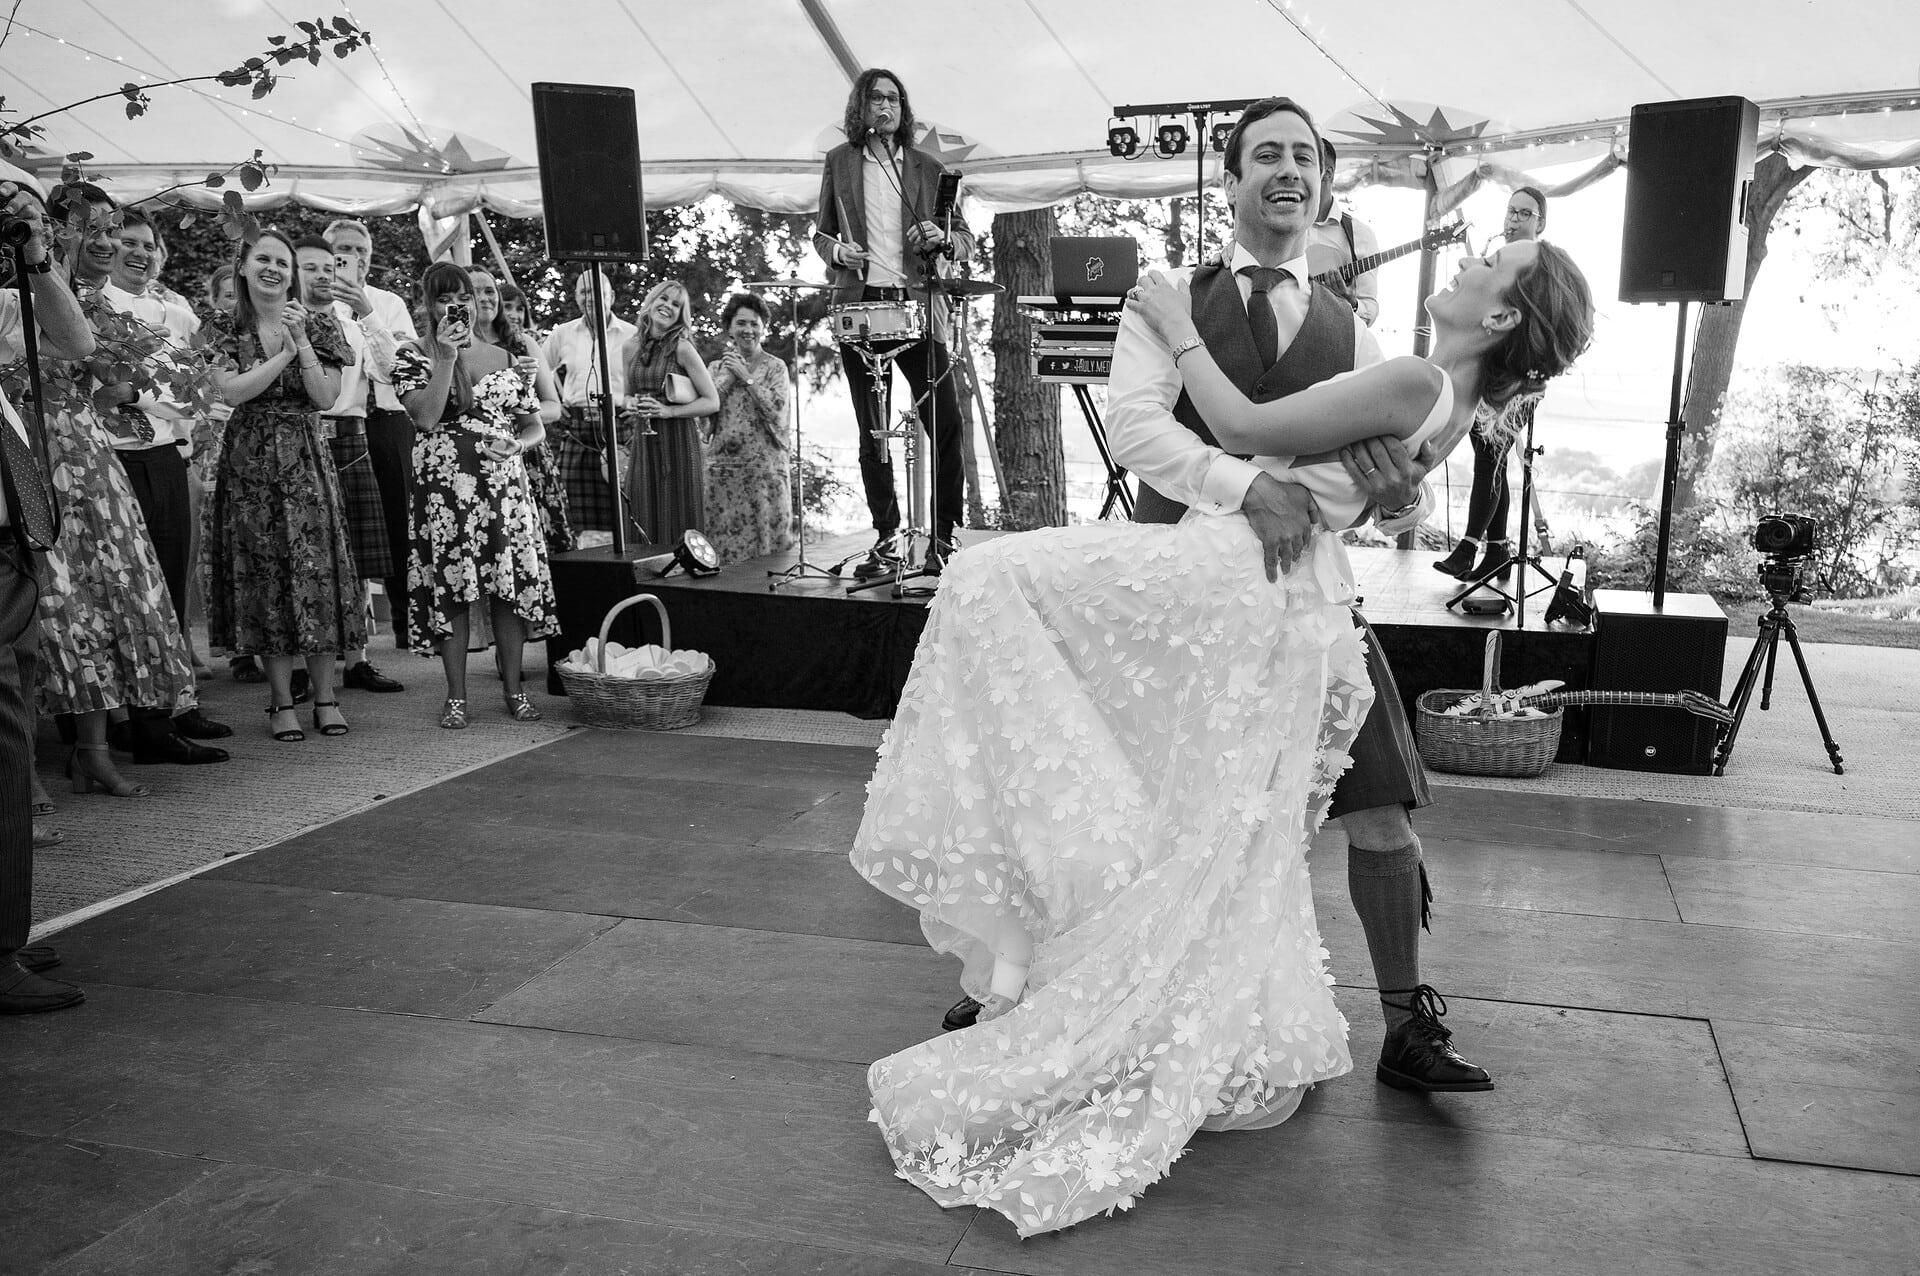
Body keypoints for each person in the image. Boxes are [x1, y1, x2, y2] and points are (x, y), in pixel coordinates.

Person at [849, 95, 1593, 1234]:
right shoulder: (1183, 294)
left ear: (1325, 183)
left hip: (1290, 606)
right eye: (1266, 156)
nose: (1286, 171)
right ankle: (1017, 976)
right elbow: (1144, 431)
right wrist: (1261, 482)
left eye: (1304, 155)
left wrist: (1372, 484)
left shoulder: (1368, 333)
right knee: (1175, 810)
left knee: (1360, 811)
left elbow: (1301, 430)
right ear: (1233, 179)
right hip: (1199, 579)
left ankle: (1399, 1020)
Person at [813, 67, 975, 577]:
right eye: (875, 98)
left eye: (893, 98)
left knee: (945, 423)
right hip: (860, 306)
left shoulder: (929, 167)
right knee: (873, 431)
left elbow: (965, 240)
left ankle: (945, 539)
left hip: (919, 306)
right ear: (859, 108)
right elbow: (820, 234)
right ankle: (886, 539)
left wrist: (943, 239)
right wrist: (839, 251)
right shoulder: (838, 163)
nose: (885, 106)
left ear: (903, 109)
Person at [203, 228, 361, 742]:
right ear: (244, 267)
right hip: (248, 459)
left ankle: (325, 696)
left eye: (283, 263)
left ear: (292, 274)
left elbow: (325, 398)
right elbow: (231, 389)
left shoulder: (319, 324)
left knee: (315, 573)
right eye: (263, 260)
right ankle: (278, 702)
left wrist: (304, 344)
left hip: (306, 458)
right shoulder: (223, 326)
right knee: (263, 578)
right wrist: (286, 354)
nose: (273, 269)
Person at [1, 174, 97, 1014]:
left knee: (12, 719)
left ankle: (5, 934)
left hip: (8, 534)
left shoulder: (6, 288)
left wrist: (34, 254)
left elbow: (76, 339)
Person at [393, 262, 556, 729]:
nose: (455, 305)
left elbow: (534, 425)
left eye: (461, 296)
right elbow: (424, 418)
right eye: (444, 298)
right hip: (444, 494)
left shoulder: (504, 356)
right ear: (429, 304)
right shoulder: (411, 356)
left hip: (502, 487)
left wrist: (517, 445)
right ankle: (457, 696)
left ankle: (514, 689)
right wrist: (446, 356)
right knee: (452, 588)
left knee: (507, 589)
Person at [96, 206, 233, 749]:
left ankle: (177, 704)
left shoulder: (177, 317)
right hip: (107, 460)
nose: (139, 252)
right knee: (120, 593)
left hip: (163, 460)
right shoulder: (88, 306)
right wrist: (160, 400)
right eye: (126, 241)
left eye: (149, 245)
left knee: (171, 582)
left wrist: (136, 395)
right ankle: (127, 720)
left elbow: (197, 395)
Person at [299, 234, 407, 695]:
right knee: (304, 554)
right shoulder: (282, 318)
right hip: (300, 434)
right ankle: (304, 661)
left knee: (356, 556)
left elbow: (391, 372)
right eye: (314, 267)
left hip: (351, 436)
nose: (326, 274)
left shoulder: (356, 318)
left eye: (331, 266)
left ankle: (357, 659)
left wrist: (366, 312)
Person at [1434, 185, 1549, 581]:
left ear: (1542, 223)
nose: (1514, 220)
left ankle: (1468, 546)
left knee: (1490, 457)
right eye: (1511, 211)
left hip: (1522, 379)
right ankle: (1497, 550)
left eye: (1525, 214)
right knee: (1491, 457)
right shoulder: (1495, 260)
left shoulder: (1539, 270)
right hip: (1491, 370)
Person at [323, 218, 419, 655]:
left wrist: (367, 311)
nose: (354, 259)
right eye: (344, 251)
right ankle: (347, 633)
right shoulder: (315, 302)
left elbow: (403, 361)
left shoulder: (386, 301)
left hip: (390, 418)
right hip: (342, 422)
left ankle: (407, 623)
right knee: (340, 528)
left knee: (399, 522)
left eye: (361, 252)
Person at [471, 267, 571, 556]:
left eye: (489, 291)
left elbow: (554, 406)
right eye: (475, 292)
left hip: (527, 454)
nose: (484, 298)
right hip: (475, 456)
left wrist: (519, 413)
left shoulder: (521, 343)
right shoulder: (450, 347)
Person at [621, 280, 717, 551]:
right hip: (645, 439)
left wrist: (668, 411)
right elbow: (627, 394)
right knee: (642, 505)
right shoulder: (629, 347)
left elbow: (712, 401)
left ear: (680, 315)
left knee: (680, 510)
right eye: (663, 299)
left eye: (676, 305)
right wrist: (630, 404)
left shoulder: (682, 348)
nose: (668, 307)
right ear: (651, 302)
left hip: (679, 440)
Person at [542, 269, 637, 538]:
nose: (591, 297)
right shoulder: (562, 334)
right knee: (575, 512)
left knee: (626, 508)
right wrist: (550, 400)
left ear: (612, 296)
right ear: (576, 297)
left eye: (598, 290)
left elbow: (643, 379)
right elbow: (538, 372)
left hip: (621, 428)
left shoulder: (633, 335)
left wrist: (636, 406)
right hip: (578, 428)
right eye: (584, 291)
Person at [702, 291, 793, 564]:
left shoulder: (776, 367)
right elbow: (705, 414)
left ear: (763, 328)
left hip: (764, 469)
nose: (748, 330)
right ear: (729, 327)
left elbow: (777, 413)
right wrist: (730, 377)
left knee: (767, 549)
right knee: (722, 548)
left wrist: (748, 379)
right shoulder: (716, 367)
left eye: (754, 323)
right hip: (723, 469)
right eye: (741, 323)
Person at [1306, 138, 1382, 326]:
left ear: (1327, 174)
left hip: (1332, 342)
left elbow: (1369, 311)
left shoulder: (1360, 236)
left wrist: (1350, 303)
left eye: (1304, 164)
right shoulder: (1279, 225)